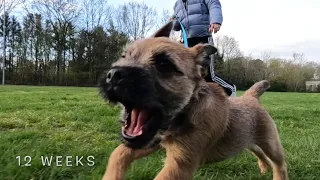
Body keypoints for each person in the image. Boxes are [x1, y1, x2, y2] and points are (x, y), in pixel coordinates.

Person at [171, 0, 236, 96]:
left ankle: (230, 89)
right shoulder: (177, 5)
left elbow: (214, 4)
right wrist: (173, 22)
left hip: (203, 37)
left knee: (209, 75)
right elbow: (177, 26)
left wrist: (215, 20)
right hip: (187, 42)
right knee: (192, 74)